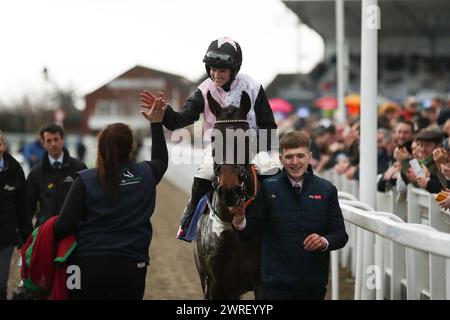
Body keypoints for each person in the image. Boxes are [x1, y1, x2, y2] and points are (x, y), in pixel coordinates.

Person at [140, 36, 278, 241]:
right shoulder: (204, 90)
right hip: (219, 148)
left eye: (222, 70)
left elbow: (269, 127)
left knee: (272, 170)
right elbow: (181, 119)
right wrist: (165, 113)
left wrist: (251, 148)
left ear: (234, 69)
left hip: (252, 146)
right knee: (203, 173)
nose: (216, 74)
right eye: (212, 69)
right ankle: (189, 218)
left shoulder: (253, 87)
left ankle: (278, 221)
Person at [53, 97, 168, 300]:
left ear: (101, 147)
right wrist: (156, 123)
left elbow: (63, 226)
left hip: (87, 265)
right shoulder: (146, 173)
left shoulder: (85, 179)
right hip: (132, 265)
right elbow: (161, 160)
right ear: (131, 147)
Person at [232, 131, 348, 300]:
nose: (295, 162)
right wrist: (240, 219)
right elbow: (248, 232)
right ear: (281, 159)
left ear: (309, 157)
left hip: (313, 284)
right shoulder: (267, 188)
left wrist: (324, 241)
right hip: (275, 284)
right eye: (289, 157)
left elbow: (340, 235)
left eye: (300, 156)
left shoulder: (327, 190)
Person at [26, 124, 87, 227]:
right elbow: (28, 208)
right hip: (46, 231)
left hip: (74, 232)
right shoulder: (35, 173)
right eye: (49, 141)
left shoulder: (79, 168)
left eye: (56, 139)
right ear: (43, 143)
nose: (53, 144)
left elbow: (87, 202)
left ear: (62, 140)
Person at [0, 131, 33, 300]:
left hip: (5, 239)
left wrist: (28, 241)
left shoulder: (15, 171)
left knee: (0, 285)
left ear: (2, 146)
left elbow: (23, 209)